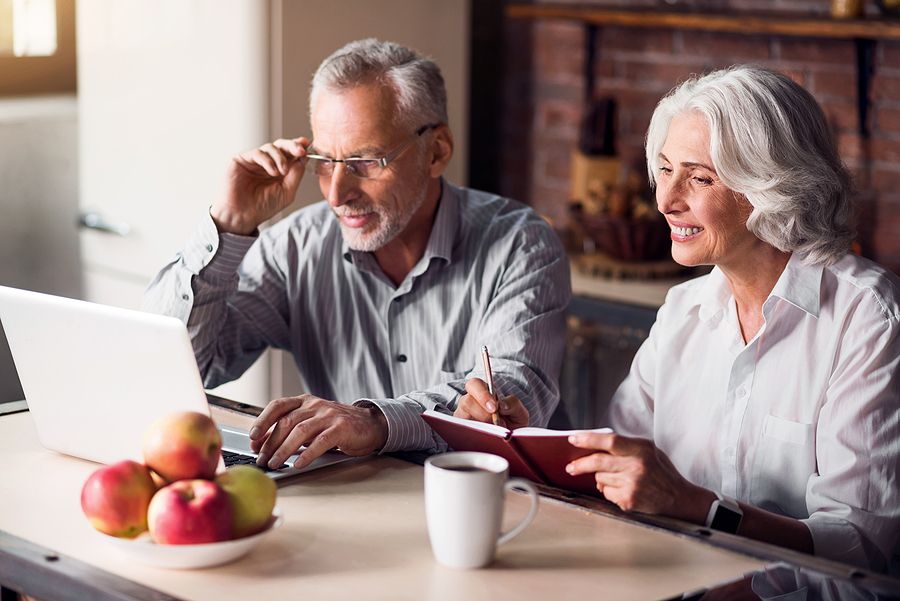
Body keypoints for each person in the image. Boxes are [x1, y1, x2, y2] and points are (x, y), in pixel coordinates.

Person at [142, 39, 570, 471]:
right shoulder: (294, 248)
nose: (335, 193)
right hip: (359, 502)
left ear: (437, 151)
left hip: (503, 507)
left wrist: (377, 422)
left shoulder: (520, 244)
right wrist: (228, 223)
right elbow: (175, 369)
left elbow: (515, 397)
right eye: (324, 161)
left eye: (365, 160)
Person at [557, 65, 899, 573]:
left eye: (699, 177)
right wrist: (523, 440)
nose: (667, 201)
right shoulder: (681, 312)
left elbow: (861, 546)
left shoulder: (866, 317)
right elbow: (617, 467)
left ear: (772, 187)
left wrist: (701, 509)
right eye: (666, 170)